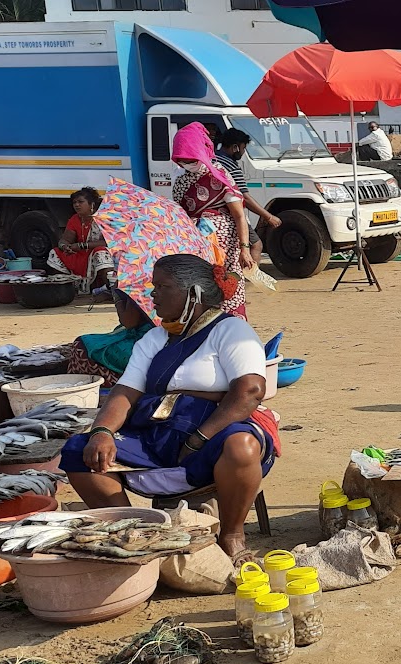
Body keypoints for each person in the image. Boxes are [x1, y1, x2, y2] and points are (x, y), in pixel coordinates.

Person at [60, 255, 279, 561]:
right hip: (159, 433)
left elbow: (250, 391)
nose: (152, 295)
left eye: (162, 286)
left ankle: (232, 535)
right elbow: (126, 390)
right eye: (154, 286)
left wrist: (199, 438)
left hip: (215, 430)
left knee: (241, 446)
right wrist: (102, 431)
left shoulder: (231, 331)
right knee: (79, 451)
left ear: (194, 293)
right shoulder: (155, 338)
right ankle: (131, 530)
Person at [172, 122, 251, 318]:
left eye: (190, 158)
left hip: (226, 249)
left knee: (228, 287)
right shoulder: (181, 182)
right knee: (201, 291)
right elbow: (180, 216)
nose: (187, 162)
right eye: (182, 159)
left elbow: (239, 214)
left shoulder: (220, 175)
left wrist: (245, 248)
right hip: (196, 247)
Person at [215, 128, 280, 268]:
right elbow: (245, 198)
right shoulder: (231, 167)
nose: (243, 152)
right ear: (235, 147)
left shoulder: (213, 159)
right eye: (243, 148)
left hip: (214, 218)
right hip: (232, 214)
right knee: (256, 245)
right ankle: (248, 281)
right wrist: (268, 217)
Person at [66, 290, 152, 388]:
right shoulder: (164, 288)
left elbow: (129, 322)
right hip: (162, 343)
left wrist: (118, 297)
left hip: (146, 347)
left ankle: (116, 382)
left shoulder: (143, 288)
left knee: (81, 344)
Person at [49, 187, 114, 296]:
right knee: (55, 252)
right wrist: (64, 246)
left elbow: (109, 242)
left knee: (100, 252)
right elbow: (66, 239)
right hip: (81, 254)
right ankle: (65, 289)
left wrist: (82, 245)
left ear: (91, 204)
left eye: (80, 202)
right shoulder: (75, 219)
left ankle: (111, 288)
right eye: (74, 202)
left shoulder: (103, 218)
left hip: (102, 253)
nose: (77, 205)